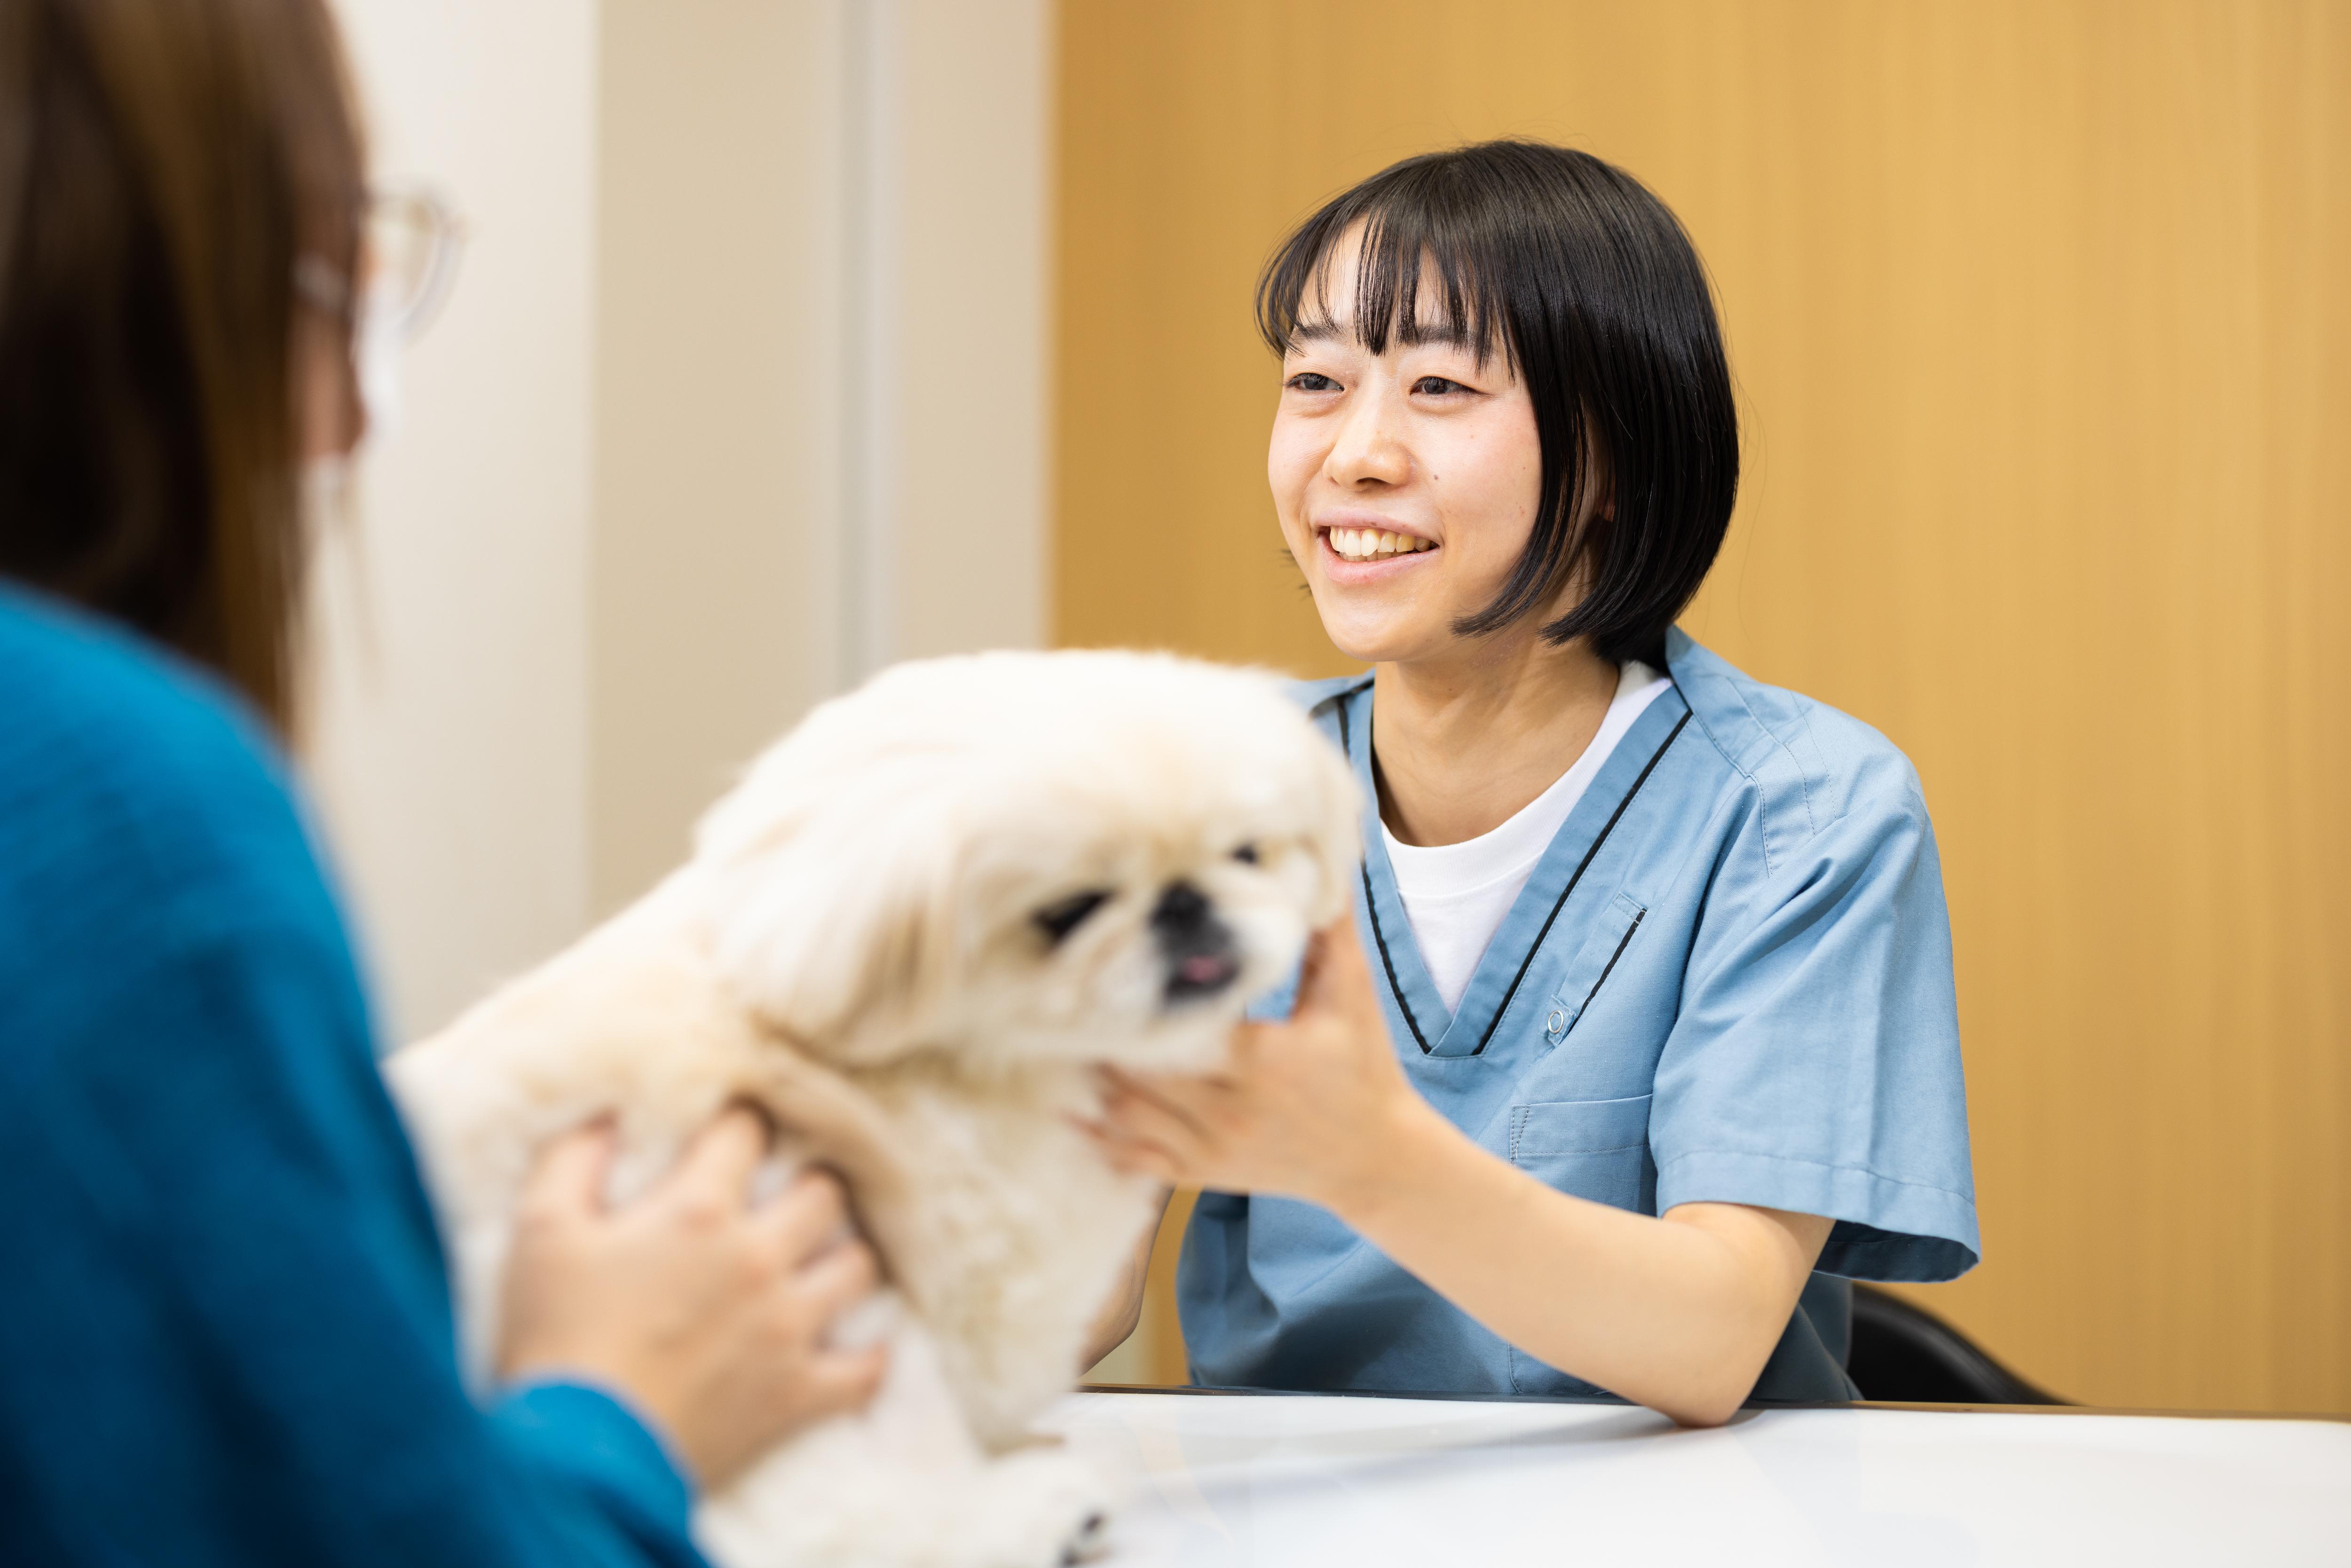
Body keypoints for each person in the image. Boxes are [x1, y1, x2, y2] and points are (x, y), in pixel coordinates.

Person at [0, 3, 883, 1562]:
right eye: (1316, 380)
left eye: (1437, 385)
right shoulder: (120, 813)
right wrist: (619, 1407)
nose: (346, 407)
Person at [1083, 141, 1977, 1425]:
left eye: (1441, 384)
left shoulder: (1803, 813)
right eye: (1317, 380)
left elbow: (1716, 1336)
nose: (1357, 454)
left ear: (1615, 456)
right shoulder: (1196, 796)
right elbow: (1081, 1288)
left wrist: (1369, 1156)